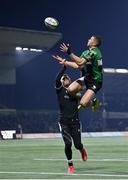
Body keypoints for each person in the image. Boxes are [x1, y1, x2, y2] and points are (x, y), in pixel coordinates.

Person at [53, 35, 103, 112]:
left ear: (94, 43)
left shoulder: (95, 52)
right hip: (87, 78)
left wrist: (69, 52)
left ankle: (93, 102)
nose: (88, 39)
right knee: (70, 90)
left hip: (96, 81)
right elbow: (77, 65)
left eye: (90, 39)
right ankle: (86, 99)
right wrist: (65, 62)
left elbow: (80, 62)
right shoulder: (86, 52)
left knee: (83, 103)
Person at [54, 64, 87, 174]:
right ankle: (70, 165)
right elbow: (57, 79)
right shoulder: (60, 90)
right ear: (62, 82)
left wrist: (82, 69)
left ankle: (81, 149)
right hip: (63, 122)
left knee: (77, 145)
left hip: (75, 122)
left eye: (67, 77)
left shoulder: (75, 91)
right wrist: (64, 67)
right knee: (68, 144)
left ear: (70, 80)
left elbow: (82, 79)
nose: (65, 78)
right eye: (64, 78)